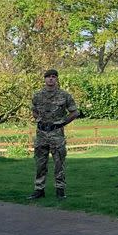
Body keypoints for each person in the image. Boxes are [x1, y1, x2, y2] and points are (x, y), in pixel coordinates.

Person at [28, 69, 78, 200]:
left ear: (57, 79)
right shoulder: (37, 95)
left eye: (53, 77)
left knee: (59, 163)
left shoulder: (64, 95)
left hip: (56, 134)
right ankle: (39, 190)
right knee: (40, 163)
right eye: (48, 77)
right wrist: (39, 120)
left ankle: (60, 190)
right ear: (44, 79)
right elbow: (33, 110)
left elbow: (74, 112)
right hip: (41, 134)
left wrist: (62, 123)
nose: (51, 79)